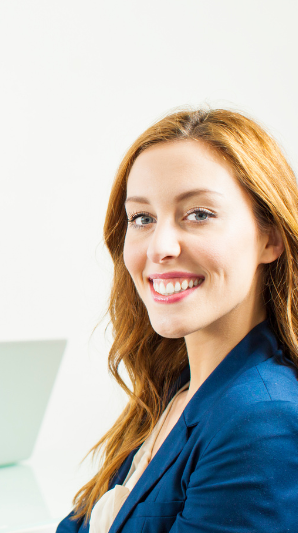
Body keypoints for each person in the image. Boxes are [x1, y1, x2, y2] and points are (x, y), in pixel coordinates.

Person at [57, 109, 298, 532]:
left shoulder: (261, 418)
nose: (160, 247)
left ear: (270, 237)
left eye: (199, 214)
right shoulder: (178, 389)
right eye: (142, 218)